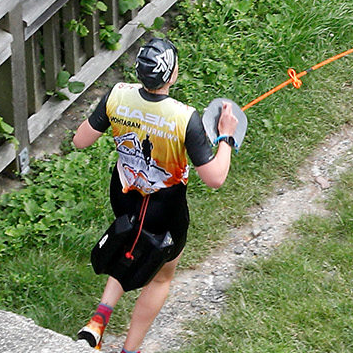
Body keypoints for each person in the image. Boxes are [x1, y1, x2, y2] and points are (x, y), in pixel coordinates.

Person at [73, 37, 236, 352]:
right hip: (164, 207)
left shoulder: (117, 95)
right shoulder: (184, 117)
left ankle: (97, 322)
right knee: (160, 276)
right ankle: (129, 350)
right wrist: (226, 135)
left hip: (124, 193)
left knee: (128, 243)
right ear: (171, 75)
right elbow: (215, 178)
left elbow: (81, 140)